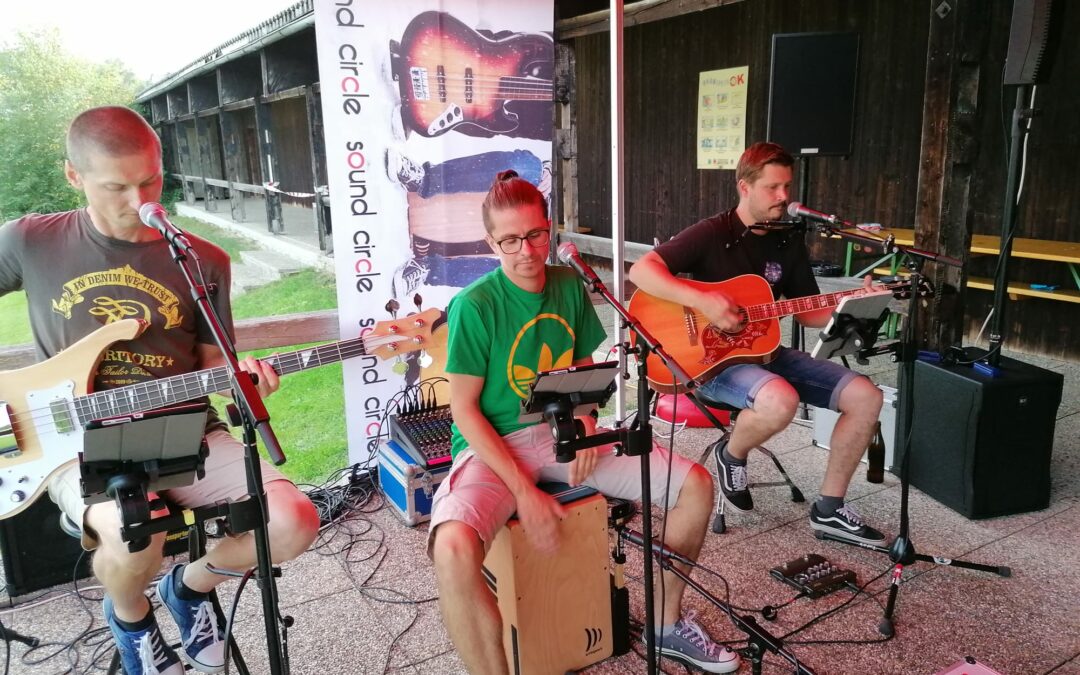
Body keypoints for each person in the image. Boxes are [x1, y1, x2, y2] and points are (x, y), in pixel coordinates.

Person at [0, 106, 320, 675]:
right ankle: (132, 621)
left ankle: (189, 589)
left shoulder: (203, 258)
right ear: (74, 177)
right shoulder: (31, 241)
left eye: (149, 179)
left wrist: (250, 384)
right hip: (75, 443)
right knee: (134, 537)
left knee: (294, 519)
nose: (138, 198)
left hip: (188, 430)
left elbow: (214, 365)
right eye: (115, 186)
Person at [428, 171, 740, 674]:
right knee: (452, 549)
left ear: (550, 229)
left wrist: (589, 420)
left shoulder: (571, 284)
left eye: (534, 235)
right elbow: (464, 409)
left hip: (566, 437)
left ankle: (666, 623)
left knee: (697, 486)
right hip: (495, 445)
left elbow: (582, 374)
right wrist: (524, 492)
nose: (526, 251)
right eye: (509, 240)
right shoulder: (475, 305)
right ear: (491, 243)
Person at [629, 141, 887, 545]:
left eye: (787, 186)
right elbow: (642, 271)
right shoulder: (713, 232)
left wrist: (856, 300)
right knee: (780, 401)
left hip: (764, 353)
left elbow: (809, 312)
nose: (784, 197)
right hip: (709, 363)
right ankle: (732, 454)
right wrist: (702, 300)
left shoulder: (788, 242)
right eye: (772, 187)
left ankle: (830, 509)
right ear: (744, 187)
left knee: (866, 397)